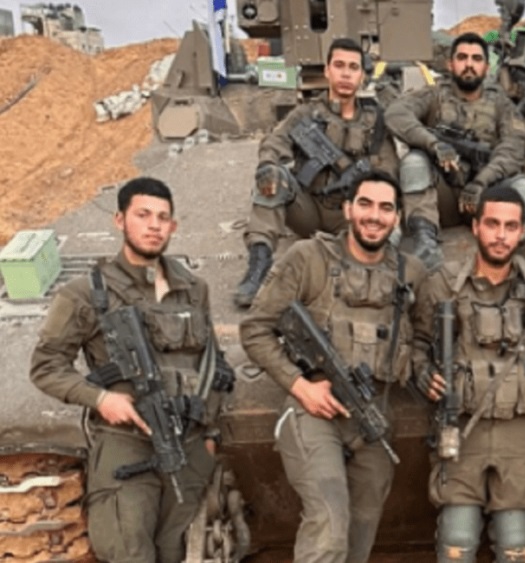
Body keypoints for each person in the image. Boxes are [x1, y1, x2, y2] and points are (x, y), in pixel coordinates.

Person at [30, 177, 234, 563]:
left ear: (173, 226)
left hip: (188, 445)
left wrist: (209, 434)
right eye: (143, 215)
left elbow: (213, 366)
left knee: (181, 550)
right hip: (126, 443)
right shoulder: (85, 293)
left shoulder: (194, 289)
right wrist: (100, 398)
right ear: (120, 220)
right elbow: (46, 366)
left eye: (163, 217)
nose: (154, 225)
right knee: (129, 550)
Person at [239, 170, 422, 563]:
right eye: (365, 204)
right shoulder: (309, 258)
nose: (374, 216)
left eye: (386, 208)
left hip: (373, 419)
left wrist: (425, 369)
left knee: (360, 534)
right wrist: (300, 386)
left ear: (397, 218)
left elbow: (424, 338)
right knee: (329, 525)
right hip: (313, 410)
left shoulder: (411, 274)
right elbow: (255, 330)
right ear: (348, 209)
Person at [411, 184, 525, 562]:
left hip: (519, 431)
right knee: (457, 539)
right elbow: (418, 342)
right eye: (492, 224)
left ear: (522, 231)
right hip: (461, 428)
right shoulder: (442, 285)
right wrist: (422, 372)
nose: (501, 235)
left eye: (510, 226)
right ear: (476, 226)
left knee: (516, 541)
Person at [233, 37, 399, 307]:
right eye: (339, 65)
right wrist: (268, 165)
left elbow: (389, 171)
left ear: (362, 75)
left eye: (353, 67)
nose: (346, 74)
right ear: (327, 70)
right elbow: (275, 142)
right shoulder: (305, 114)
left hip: (351, 216)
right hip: (307, 209)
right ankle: (259, 263)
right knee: (274, 178)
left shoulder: (376, 122)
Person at [386, 32, 525, 271]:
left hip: (485, 197)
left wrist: (482, 181)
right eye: (462, 57)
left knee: (524, 185)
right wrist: (433, 144)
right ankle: (425, 240)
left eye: (476, 59)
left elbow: (513, 147)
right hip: (442, 197)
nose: (469, 64)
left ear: (486, 67)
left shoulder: (501, 103)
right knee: (414, 161)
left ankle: (512, 246)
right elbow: (396, 114)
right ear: (450, 64)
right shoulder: (435, 94)